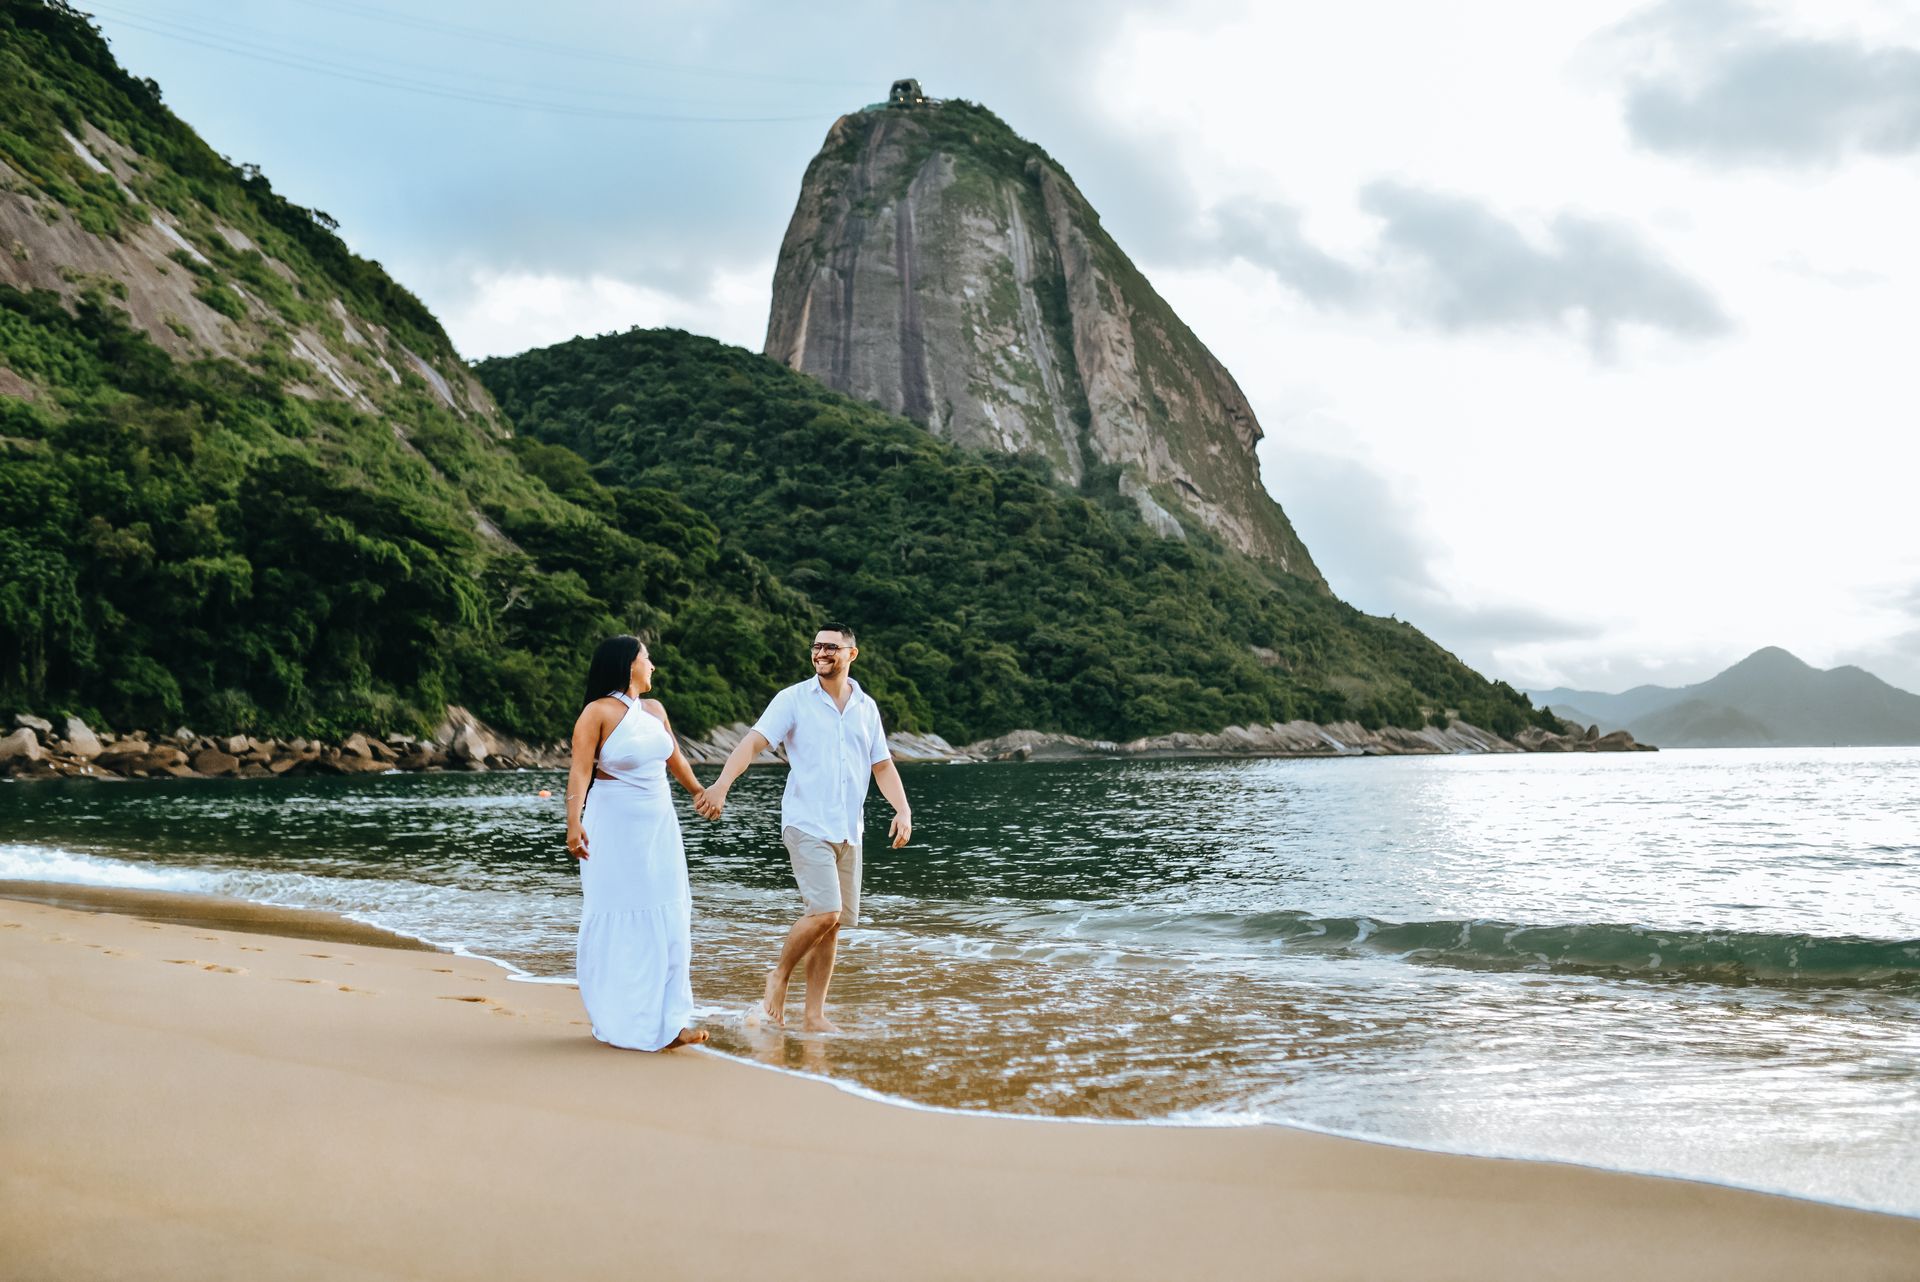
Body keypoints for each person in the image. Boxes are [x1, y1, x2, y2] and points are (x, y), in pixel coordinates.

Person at [697, 622, 911, 1033]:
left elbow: (881, 765)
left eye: (831, 646)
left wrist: (902, 810)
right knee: (825, 911)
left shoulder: (866, 707)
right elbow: (753, 743)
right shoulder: (793, 699)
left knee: (832, 923)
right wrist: (721, 785)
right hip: (806, 822)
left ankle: (813, 1015)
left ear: (852, 653)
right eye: (816, 647)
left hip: (850, 829)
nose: (821, 653)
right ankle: (777, 978)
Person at [565, 635, 709, 1051]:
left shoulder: (654, 710)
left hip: (659, 827)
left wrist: (699, 792)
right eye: (648, 659)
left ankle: (673, 1021)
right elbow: (579, 773)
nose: (653, 666)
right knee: (621, 916)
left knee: (671, 916)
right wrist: (573, 824)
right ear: (629, 664)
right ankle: (626, 1019)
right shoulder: (597, 713)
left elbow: (675, 758)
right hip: (612, 828)